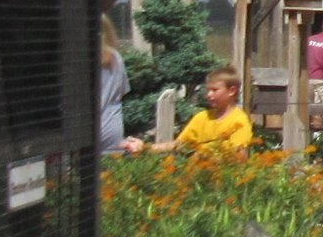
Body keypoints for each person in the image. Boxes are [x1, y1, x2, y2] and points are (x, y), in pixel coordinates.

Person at [125, 67, 254, 155]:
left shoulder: (239, 120)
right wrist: (146, 148)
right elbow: (179, 145)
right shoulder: (201, 117)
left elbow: (239, 155)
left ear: (232, 91)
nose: (209, 94)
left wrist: (203, 153)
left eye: (214, 90)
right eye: (208, 90)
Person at [100, 19, 133, 156]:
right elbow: (122, 91)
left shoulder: (78, 58)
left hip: (85, 131)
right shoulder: (115, 58)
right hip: (112, 128)